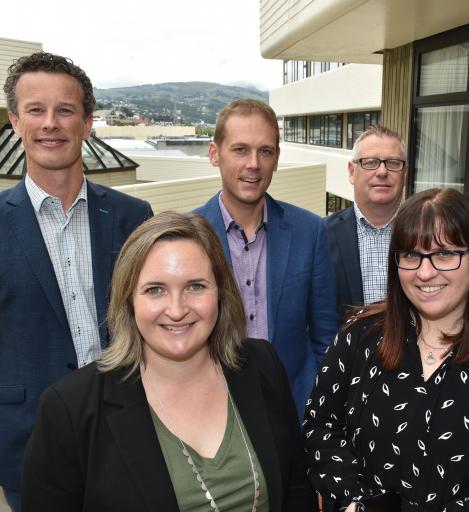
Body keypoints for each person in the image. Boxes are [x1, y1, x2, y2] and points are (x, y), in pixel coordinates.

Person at [21, 212, 316, 511]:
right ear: (128, 300)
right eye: (155, 290)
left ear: (221, 293)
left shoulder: (262, 364)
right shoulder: (69, 409)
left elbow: (296, 487)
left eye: (195, 286)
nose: (176, 310)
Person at [304, 188, 469, 511]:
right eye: (411, 255)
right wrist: (358, 501)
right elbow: (320, 428)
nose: (425, 272)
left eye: (444, 254)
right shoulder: (359, 336)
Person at [0, 52, 152, 510]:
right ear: (14, 120)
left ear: (87, 123)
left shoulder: (132, 217)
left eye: (65, 110)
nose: (51, 123)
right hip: (28, 442)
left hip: (129, 432)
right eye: (36, 110)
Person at [194, 99, 337, 417]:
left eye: (266, 151)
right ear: (215, 154)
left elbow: (325, 333)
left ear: (276, 159)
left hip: (293, 409)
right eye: (240, 149)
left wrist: (315, 402)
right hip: (213, 412)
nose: (254, 164)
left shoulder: (309, 231)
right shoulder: (189, 237)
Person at [325, 125, 406, 325]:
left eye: (393, 163)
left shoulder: (424, 233)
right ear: (352, 172)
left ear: (405, 173)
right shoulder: (321, 236)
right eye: (370, 162)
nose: (382, 172)